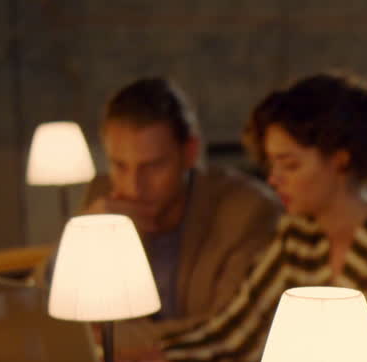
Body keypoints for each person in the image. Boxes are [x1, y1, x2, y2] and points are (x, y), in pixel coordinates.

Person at [120, 72, 367, 362]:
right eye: (272, 165)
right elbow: (235, 332)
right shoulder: (300, 234)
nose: (275, 179)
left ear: (340, 160)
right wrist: (147, 357)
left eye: (289, 165)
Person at [59, 77, 280, 347]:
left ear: (189, 153)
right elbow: (51, 308)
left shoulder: (246, 210)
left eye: (153, 167)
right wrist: (85, 246)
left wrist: (109, 341)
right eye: (119, 165)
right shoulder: (103, 199)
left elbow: (223, 328)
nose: (133, 186)